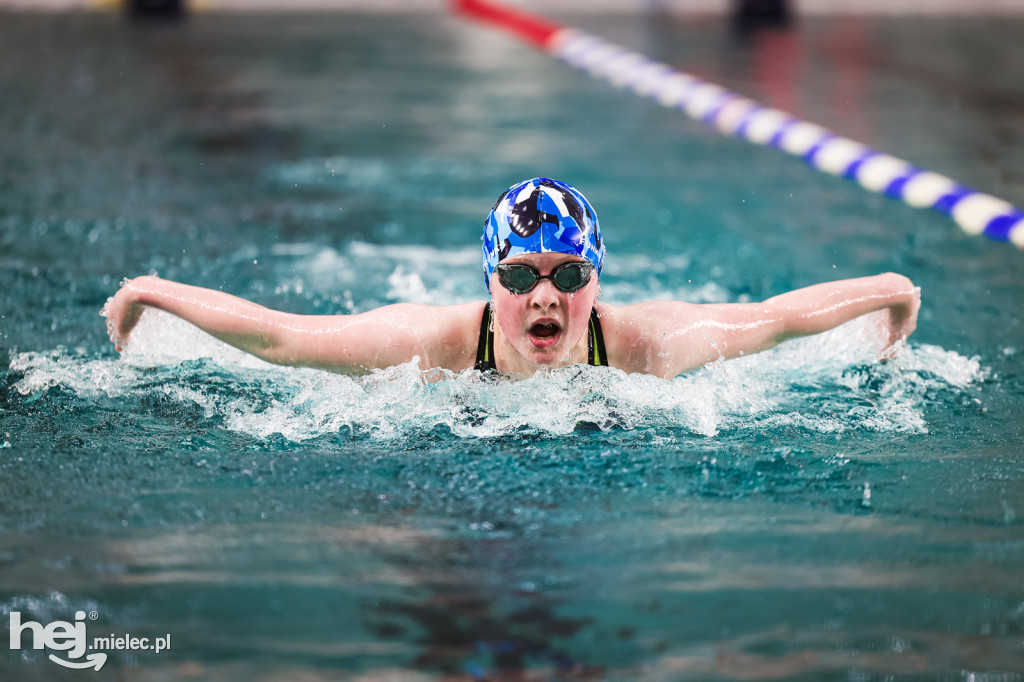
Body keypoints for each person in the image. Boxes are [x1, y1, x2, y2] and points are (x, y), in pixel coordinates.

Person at [103, 177, 920, 380]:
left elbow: (777, 318)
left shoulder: (648, 346)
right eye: (521, 274)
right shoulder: (435, 344)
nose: (545, 295)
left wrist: (889, 287)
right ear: (489, 279)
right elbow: (285, 337)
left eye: (569, 272)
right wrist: (149, 291)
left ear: (596, 278)